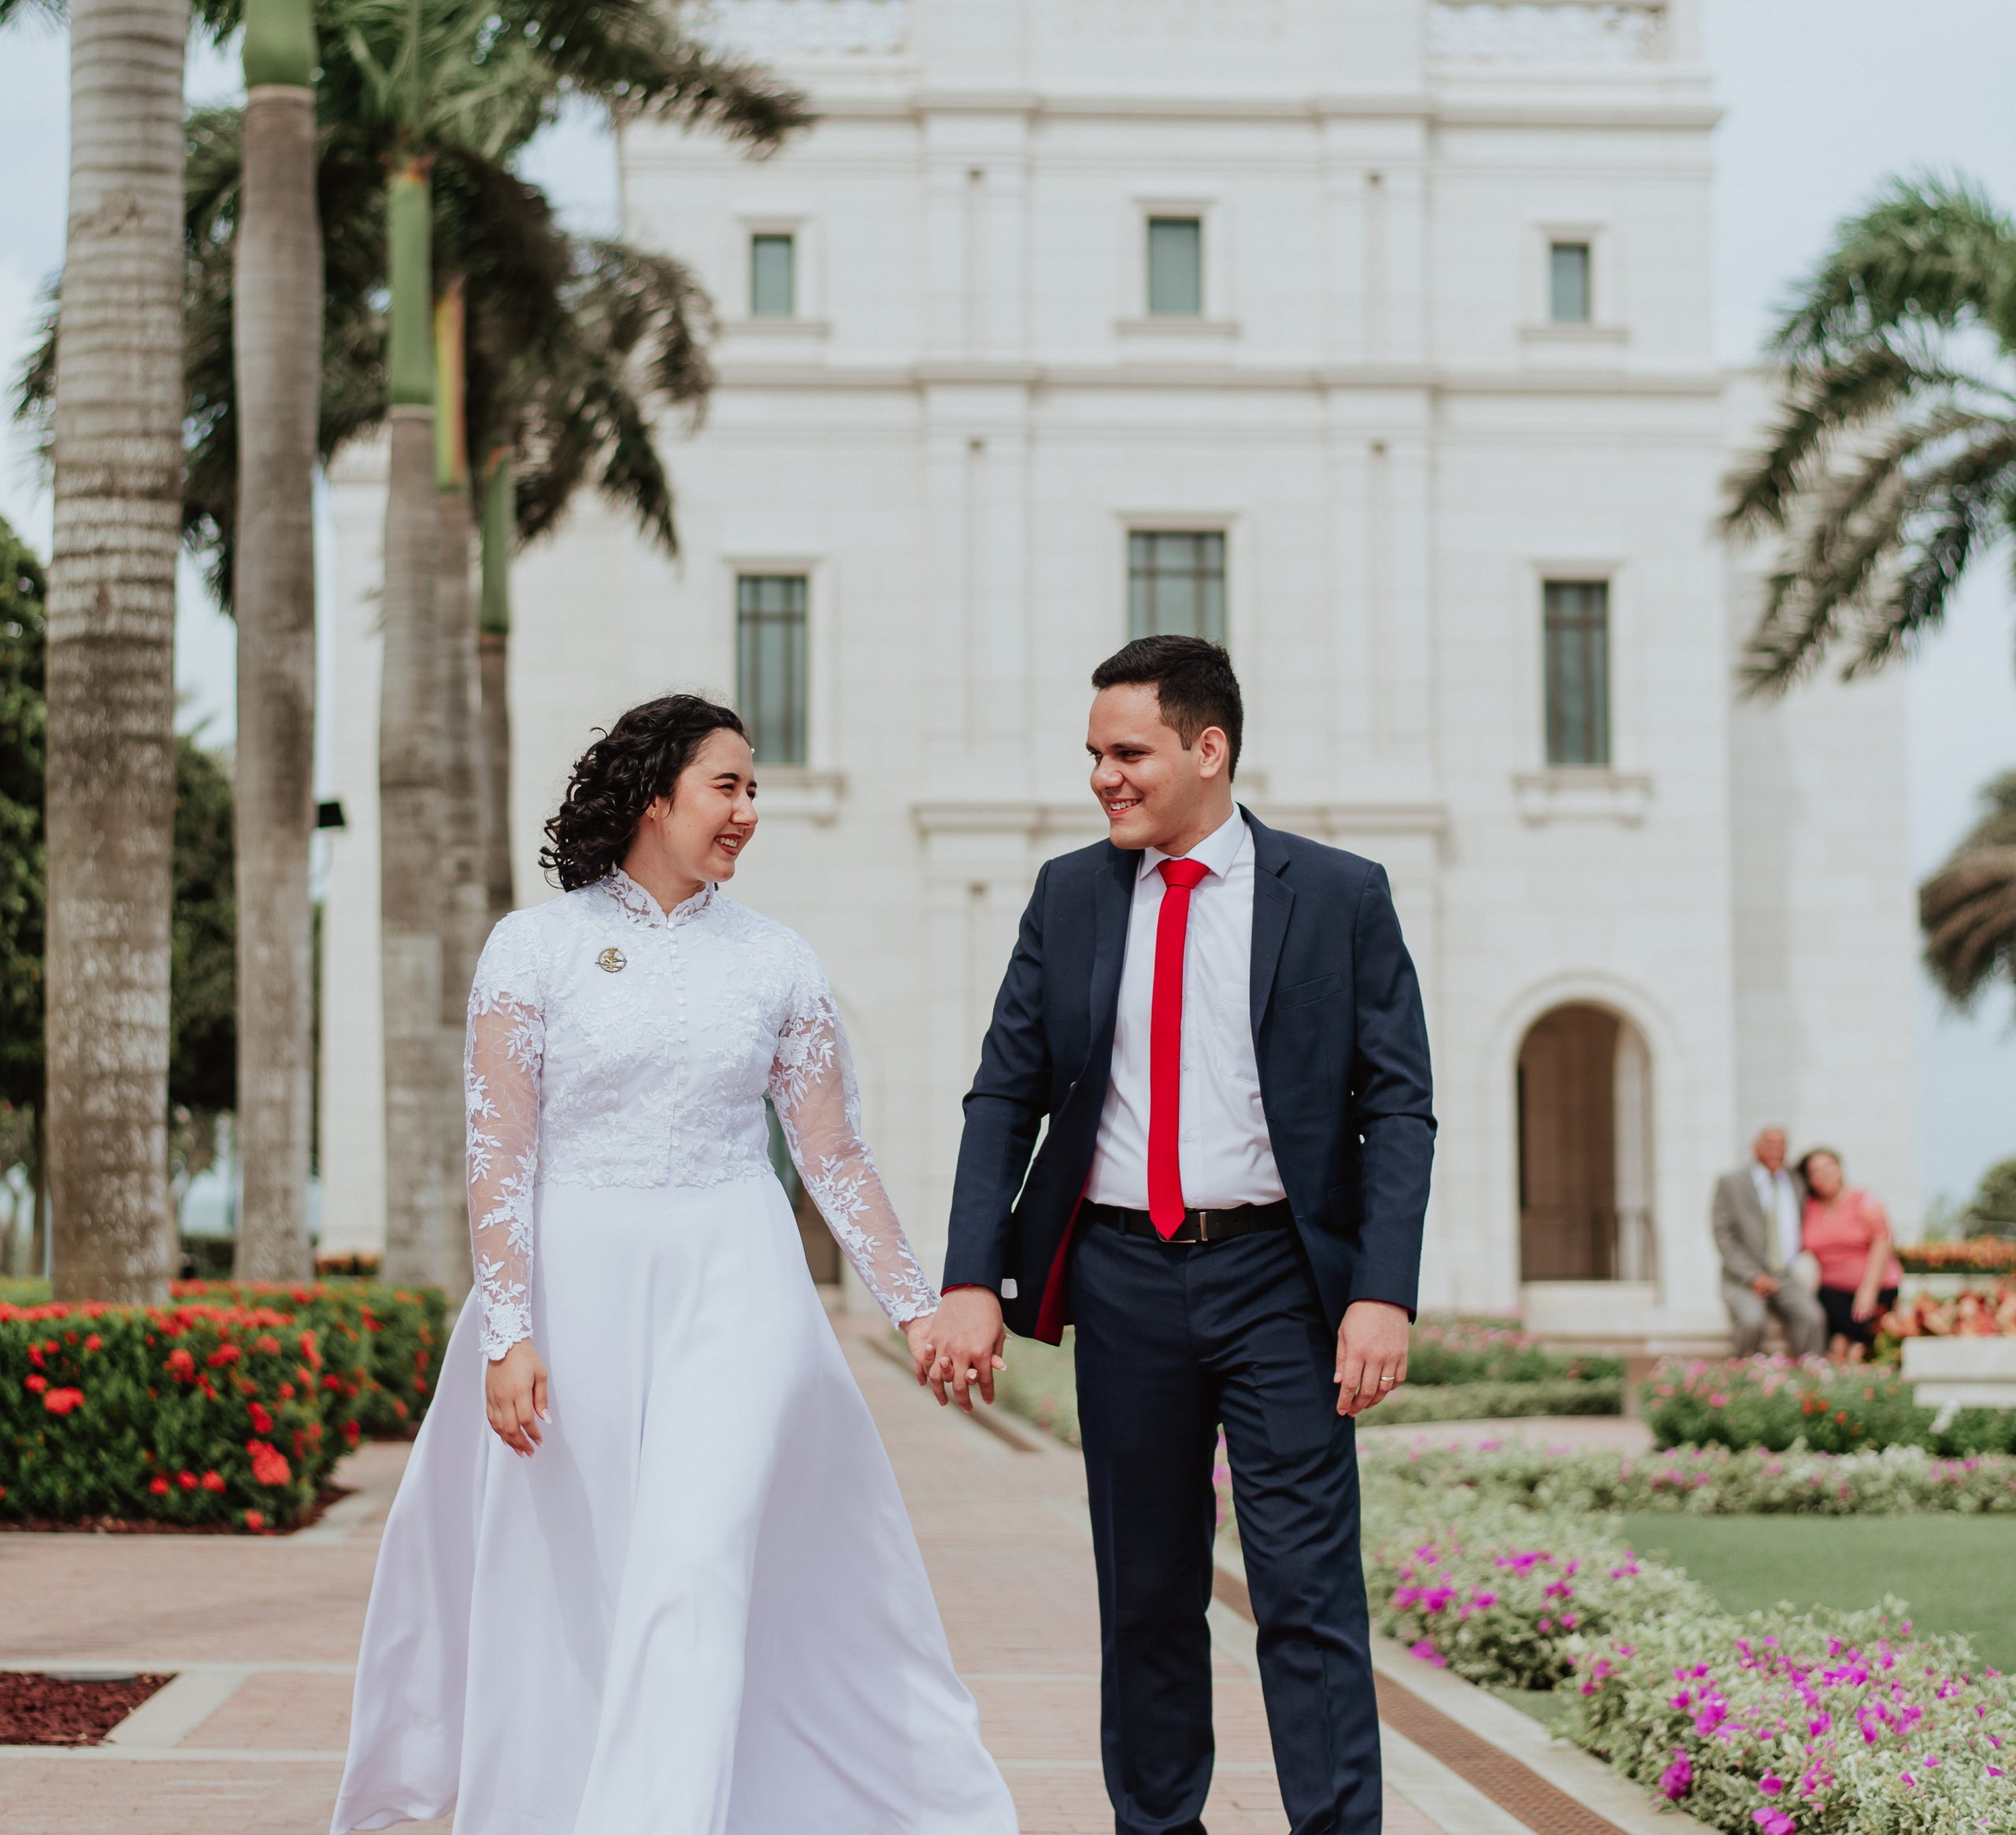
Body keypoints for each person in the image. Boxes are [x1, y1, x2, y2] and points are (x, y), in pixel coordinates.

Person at [332, 695, 1017, 1835]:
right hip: (574, 1287)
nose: (750, 811)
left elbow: (832, 1152)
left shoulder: (779, 963)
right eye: (729, 785)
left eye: (754, 790)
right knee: (588, 1576)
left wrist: (916, 1308)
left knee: (694, 1560)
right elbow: (497, 1152)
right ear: (655, 795)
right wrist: (508, 1332)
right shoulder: (532, 948)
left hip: (737, 1282)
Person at [929, 636, 1435, 1835]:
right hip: (1120, 1279)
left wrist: (1384, 1291)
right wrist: (970, 1277)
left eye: (1128, 752)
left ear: (1209, 750)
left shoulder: (1340, 894)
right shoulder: (1070, 894)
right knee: (1147, 1596)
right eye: (1094, 754)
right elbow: (1005, 1091)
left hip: (1282, 1281)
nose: (1103, 776)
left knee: (1307, 1594)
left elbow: (1397, 1101)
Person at [1710, 1125, 1826, 1359]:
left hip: (1783, 1275)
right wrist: (1753, 1276)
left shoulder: (1796, 1181)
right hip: (1743, 1279)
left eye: (1782, 1144)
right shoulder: (1732, 1183)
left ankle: (1809, 1380)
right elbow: (1724, 1236)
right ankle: (1744, 1377)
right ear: (1755, 1147)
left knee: (1813, 1318)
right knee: (1753, 1322)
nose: (1776, 1150)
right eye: (1769, 1144)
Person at [1799, 1147, 1902, 1361]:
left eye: (1829, 1167)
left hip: (1876, 1285)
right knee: (1828, 1323)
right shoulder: (1807, 1208)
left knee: (1856, 1333)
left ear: (1840, 1169)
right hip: (1832, 1289)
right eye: (1816, 1171)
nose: (1824, 1175)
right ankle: (1845, 1347)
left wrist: (1868, 1290)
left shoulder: (1863, 1200)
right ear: (1809, 1179)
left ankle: (1846, 1348)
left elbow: (1882, 1240)